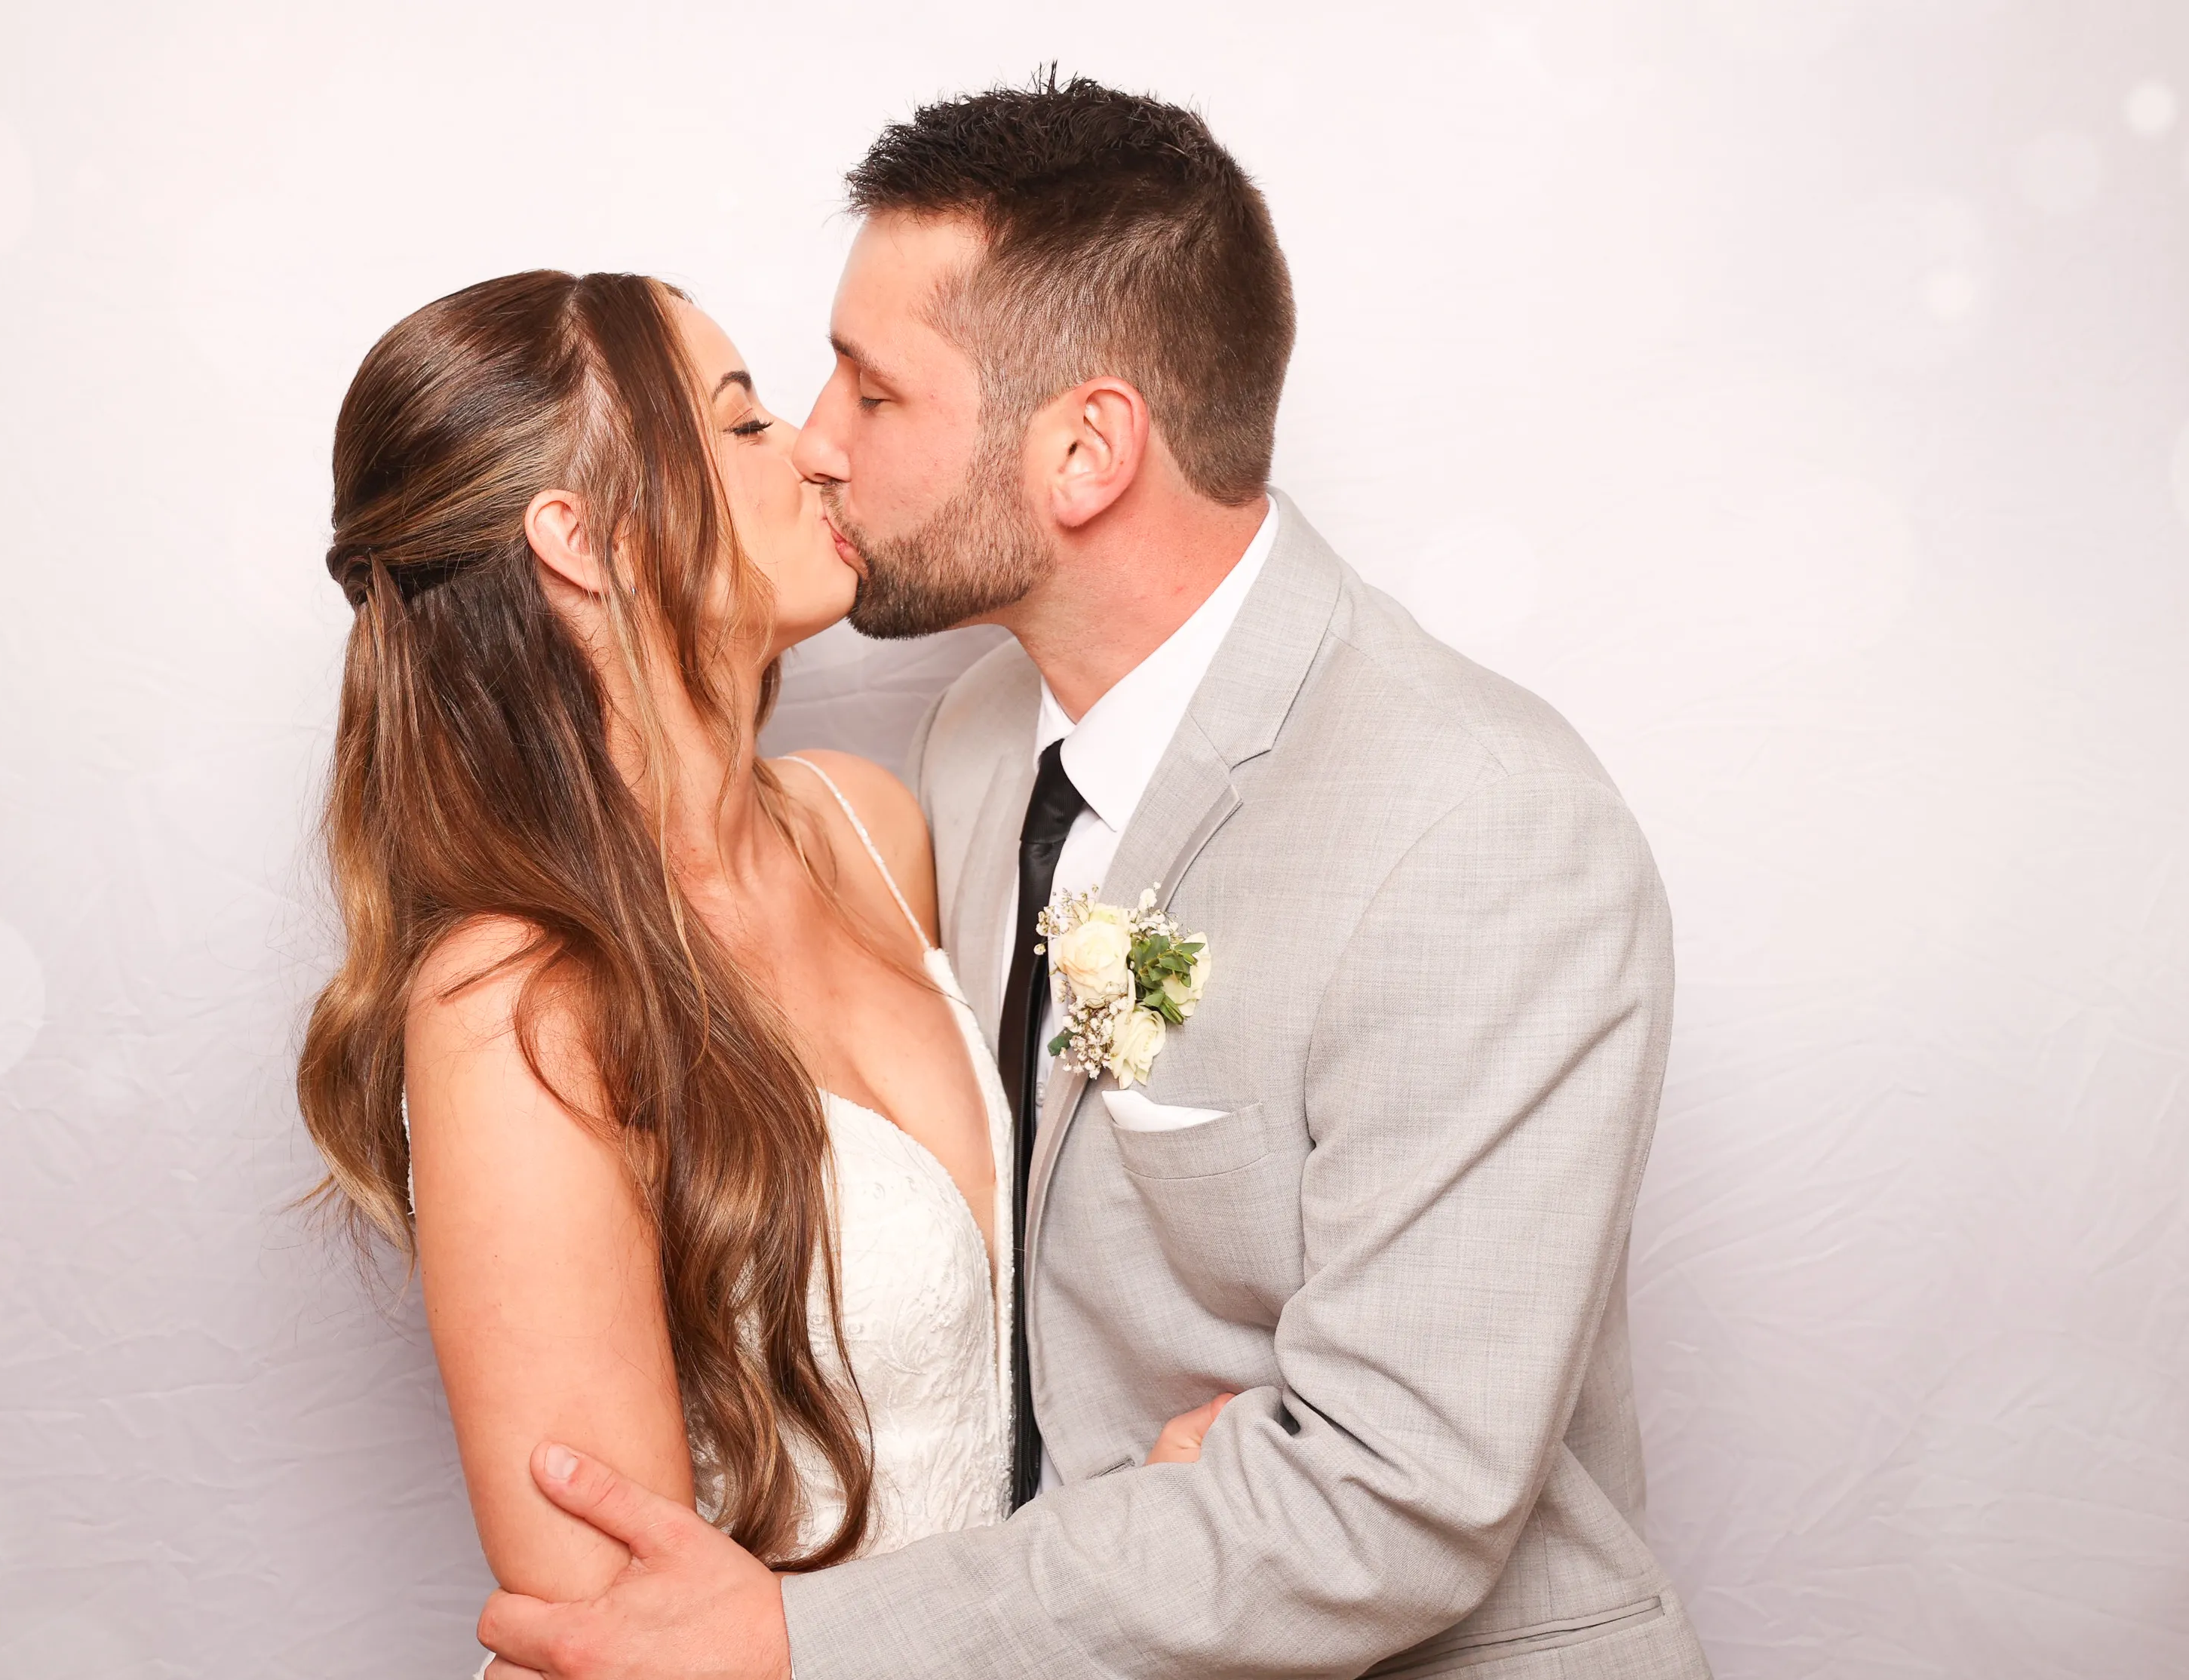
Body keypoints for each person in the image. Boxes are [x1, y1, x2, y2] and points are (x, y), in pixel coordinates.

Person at [473, 78, 1715, 1680]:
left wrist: (801, 1634)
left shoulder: (1481, 829)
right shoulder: (979, 739)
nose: (817, 448)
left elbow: (1386, 1503)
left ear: (1081, 451)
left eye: (872, 392)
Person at [292, 270, 1230, 1667]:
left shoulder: (868, 823)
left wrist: (1147, 1524)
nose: (809, 449)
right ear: (581, 536)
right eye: (739, 424)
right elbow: (629, 1644)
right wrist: (1115, 1572)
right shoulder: (516, 1004)